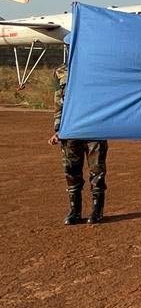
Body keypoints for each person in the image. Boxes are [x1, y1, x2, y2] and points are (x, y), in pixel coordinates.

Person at [49, 63, 109, 225]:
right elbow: (58, 102)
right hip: (71, 129)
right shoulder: (60, 71)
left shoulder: (99, 66)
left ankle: (97, 210)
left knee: (97, 170)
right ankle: (74, 211)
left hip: (95, 128)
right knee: (71, 170)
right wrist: (58, 129)